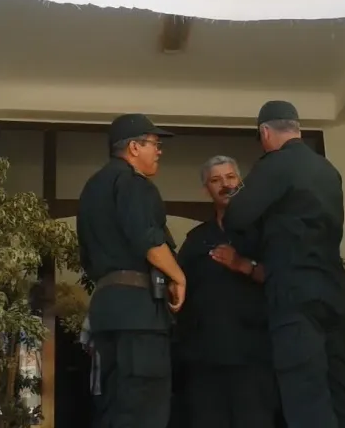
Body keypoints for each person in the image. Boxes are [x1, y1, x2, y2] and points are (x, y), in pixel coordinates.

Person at [222, 100, 345, 428]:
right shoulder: (327, 170)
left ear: (265, 132)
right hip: (334, 291)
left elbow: (237, 215)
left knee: (306, 395)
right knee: (340, 393)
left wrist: (249, 246)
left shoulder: (275, 164)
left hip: (295, 292)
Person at [77, 113, 187, 428]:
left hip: (106, 311)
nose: (159, 151)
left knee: (112, 407)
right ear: (134, 148)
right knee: (143, 408)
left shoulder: (91, 189)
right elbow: (148, 240)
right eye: (154, 144)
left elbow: (87, 256)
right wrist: (178, 276)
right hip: (139, 316)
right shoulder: (132, 183)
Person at [175, 155, 277, 428]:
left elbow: (282, 278)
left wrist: (243, 264)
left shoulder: (264, 231)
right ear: (206, 189)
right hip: (205, 358)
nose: (225, 185)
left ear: (241, 183)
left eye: (231, 177)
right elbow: (179, 289)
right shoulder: (196, 239)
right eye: (216, 180)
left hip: (253, 354)